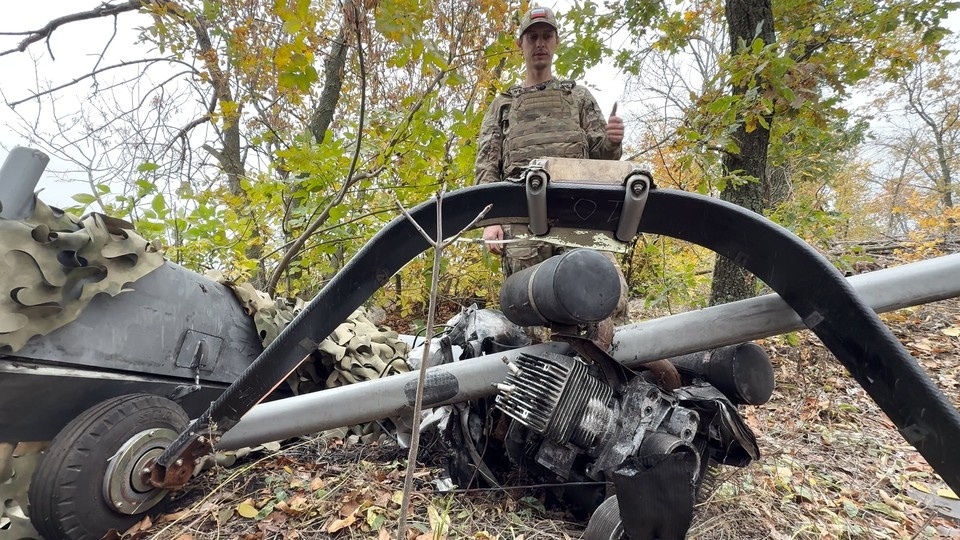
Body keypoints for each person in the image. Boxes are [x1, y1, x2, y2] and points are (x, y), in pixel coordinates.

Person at [475, 5, 625, 279]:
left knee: (598, 299)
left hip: (578, 216)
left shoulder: (578, 97)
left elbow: (603, 162)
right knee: (527, 306)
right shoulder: (503, 105)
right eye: (532, 37)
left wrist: (613, 142)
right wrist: (491, 222)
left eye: (546, 36)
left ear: (556, 41)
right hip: (521, 223)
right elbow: (487, 168)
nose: (540, 43)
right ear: (521, 44)